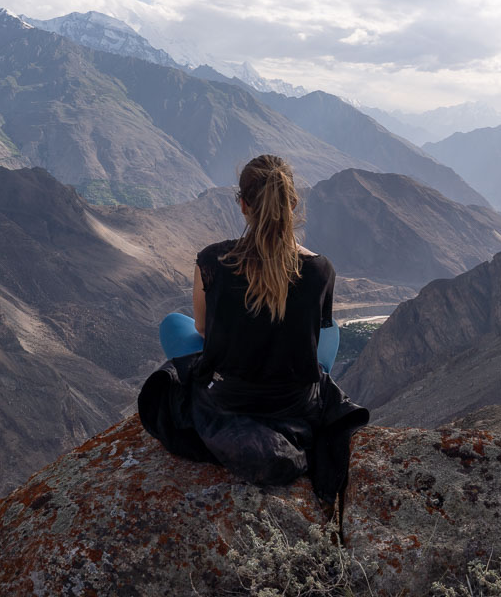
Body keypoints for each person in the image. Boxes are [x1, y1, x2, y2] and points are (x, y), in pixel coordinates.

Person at [138, 155, 368, 504]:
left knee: (175, 324)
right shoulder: (321, 270)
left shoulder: (211, 261)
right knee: (329, 330)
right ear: (293, 203)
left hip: (227, 398)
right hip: (294, 403)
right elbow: (314, 333)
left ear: (243, 205)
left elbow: (201, 328)